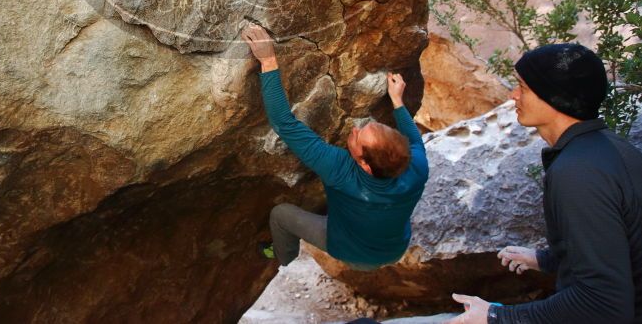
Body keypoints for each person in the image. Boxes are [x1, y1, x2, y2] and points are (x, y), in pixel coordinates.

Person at [450, 43, 642, 324]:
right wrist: (545, 259)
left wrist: (496, 316)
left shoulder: (577, 172)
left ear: (555, 97)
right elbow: (619, 247)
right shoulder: (612, 148)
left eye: (523, 87)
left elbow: (603, 302)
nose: (513, 95)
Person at [241, 24, 428, 270]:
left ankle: (283, 258)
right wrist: (397, 101)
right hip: (393, 249)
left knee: (281, 214)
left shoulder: (340, 170)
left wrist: (268, 59)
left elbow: (284, 124)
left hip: (351, 253)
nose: (354, 130)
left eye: (358, 138)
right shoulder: (417, 168)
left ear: (365, 165)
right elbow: (414, 140)